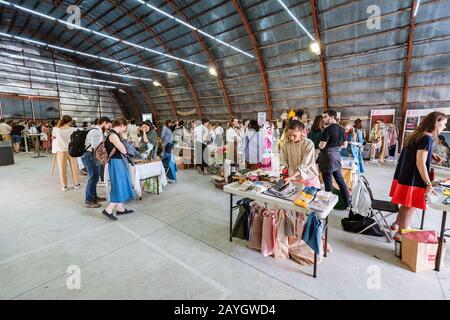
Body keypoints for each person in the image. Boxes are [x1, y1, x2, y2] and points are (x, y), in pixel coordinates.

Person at [390, 111, 447, 241]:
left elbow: (415, 153)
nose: (444, 127)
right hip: (413, 179)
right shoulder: (427, 138)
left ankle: (399, 229)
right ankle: (401, 236)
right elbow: (420, 162)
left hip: (405, 176)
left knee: (406, 205)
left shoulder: (416, 135)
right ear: (436, 122)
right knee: (410, 207)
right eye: (443, 124)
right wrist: (428, 183)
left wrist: (431, 155)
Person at [102, 118, 135, 221]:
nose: (125, 129)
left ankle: (120, 209)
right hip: (116, 163)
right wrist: (125, 139)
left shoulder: (113, 134)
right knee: (119, 185)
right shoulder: (113, 135)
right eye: (125, 127)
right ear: (121, 125)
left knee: (121, 184)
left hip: (117, 162)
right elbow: (124, 150)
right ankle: (108, 210)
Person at [318, 109, 351, 208]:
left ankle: (329, 206)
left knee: (328, 182)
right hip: (337, 156)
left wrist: (319, 144)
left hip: (327, 158)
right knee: (340, 180)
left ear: (332, 117)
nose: (323, 119)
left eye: (325, 117)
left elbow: (322, 146)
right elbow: (345, 145)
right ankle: (347, 202)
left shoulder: (327, 130)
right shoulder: (342, 129)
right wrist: (336, 147)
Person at [280, 120, 320, 188]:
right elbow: (284, 160)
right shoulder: (285, 143)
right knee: (294, 197)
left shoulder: (308, 144)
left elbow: (305, 165)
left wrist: (291, 177)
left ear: (301, 132)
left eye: (294, 135)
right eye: (289, 135)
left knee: (309, 197)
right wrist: (281, 169)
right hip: (293, 179)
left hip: (308, 177)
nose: (291, 138)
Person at [81, 117, 111, 208]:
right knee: (93, 177)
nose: (108, 127)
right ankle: (88, 200)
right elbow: (96, 146)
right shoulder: (97, 132)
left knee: (95, 178)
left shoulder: (96, 130)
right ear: (104, 123)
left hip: (91, 155)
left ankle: (94, 197)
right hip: (91, 156)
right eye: (108, 125)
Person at [52, 115, 80, 191]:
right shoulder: (74, 129)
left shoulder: (55, 129)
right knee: (74, 168)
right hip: (72, 150)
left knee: (62, 169)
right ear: (70, 121)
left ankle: (64, 186)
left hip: (61, 151)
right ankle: (76, 184)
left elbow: (53, 138)